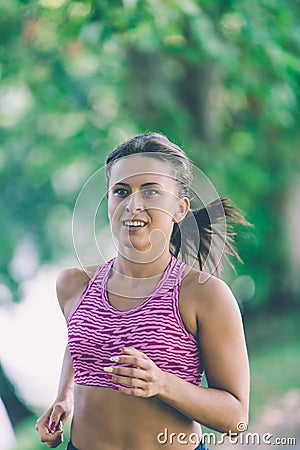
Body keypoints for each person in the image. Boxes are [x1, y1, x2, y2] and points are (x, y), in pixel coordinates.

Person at [36, 132, 250, 450]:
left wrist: (162, 383)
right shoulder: (73, 285)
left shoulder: (203, 295)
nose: (132, 205)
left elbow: (237, 419)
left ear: (179, 209)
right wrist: (64, 397)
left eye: (150, 191)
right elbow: (81, 343)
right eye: (120, 191)